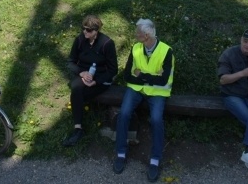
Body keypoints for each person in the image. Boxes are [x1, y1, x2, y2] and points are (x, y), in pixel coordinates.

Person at [113, 19, 174, 182]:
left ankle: (155, 160)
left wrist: (141, 75)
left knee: (156, 119)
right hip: (135, 88)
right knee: (124, 113)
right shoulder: (136, 48)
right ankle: (120, 153)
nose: (135, 35)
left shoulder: (166, 51)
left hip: (157, 92)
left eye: (137, 33)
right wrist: (150, 77)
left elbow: (163, 81)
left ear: (146, 35)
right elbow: (127, 75)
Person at [63, 14, 118, 146]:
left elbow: (113, 70)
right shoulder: (80, 40)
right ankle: (78, 128)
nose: (85, 32)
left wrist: (96, 81)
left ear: (96, 31)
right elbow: (70, 62)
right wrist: (81, 72)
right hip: (83, 75)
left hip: (100, 78)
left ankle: (79, 128)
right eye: (83, 28)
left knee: (77, 93)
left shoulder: (107, 43)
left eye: (89, 30)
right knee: (76, 88)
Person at [218, 29, 248, 179]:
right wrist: (243, 73)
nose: (247, 45)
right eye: (245, 41)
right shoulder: (229, 54)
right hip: (231, 94)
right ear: (241, 40)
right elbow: (223, 79)